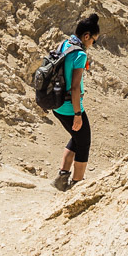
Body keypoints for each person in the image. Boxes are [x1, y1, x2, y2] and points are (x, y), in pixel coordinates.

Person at [51, 13, 98, 191]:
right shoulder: (79, 54)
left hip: (56, 104)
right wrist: (78, 114)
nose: (93, 44)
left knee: (77, 137)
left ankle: (62, 177)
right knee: (84, 142)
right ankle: (77, 184)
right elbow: (76, 87)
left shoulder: (64, 43)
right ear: (86, 36)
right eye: (94, 40)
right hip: (70, 107)